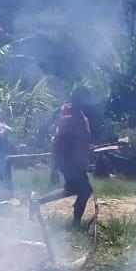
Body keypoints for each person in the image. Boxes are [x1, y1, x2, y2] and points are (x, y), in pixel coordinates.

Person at [31, 87, 94, 227]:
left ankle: (37, 202)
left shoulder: (80, 117)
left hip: (76, 163)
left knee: (70, 190)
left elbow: (80, 142)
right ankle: (76, 223)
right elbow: (57, 144)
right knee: (85, 190)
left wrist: (87, 150)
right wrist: (54, 168)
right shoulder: (69, 119)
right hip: (69, 163)